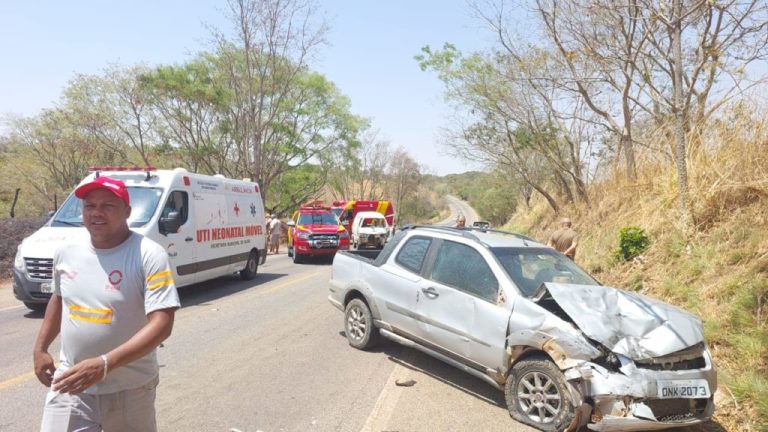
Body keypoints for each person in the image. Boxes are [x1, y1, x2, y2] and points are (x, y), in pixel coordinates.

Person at [33, 176, 180, 432]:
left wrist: (104, 363)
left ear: (127, 212)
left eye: (108, 206)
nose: (97, 213)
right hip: (72, 384)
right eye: (90, 206)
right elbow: (59, 298)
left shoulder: (149, 254)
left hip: (130, 387)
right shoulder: (66, 251)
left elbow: (162, 324)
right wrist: (40, 347)